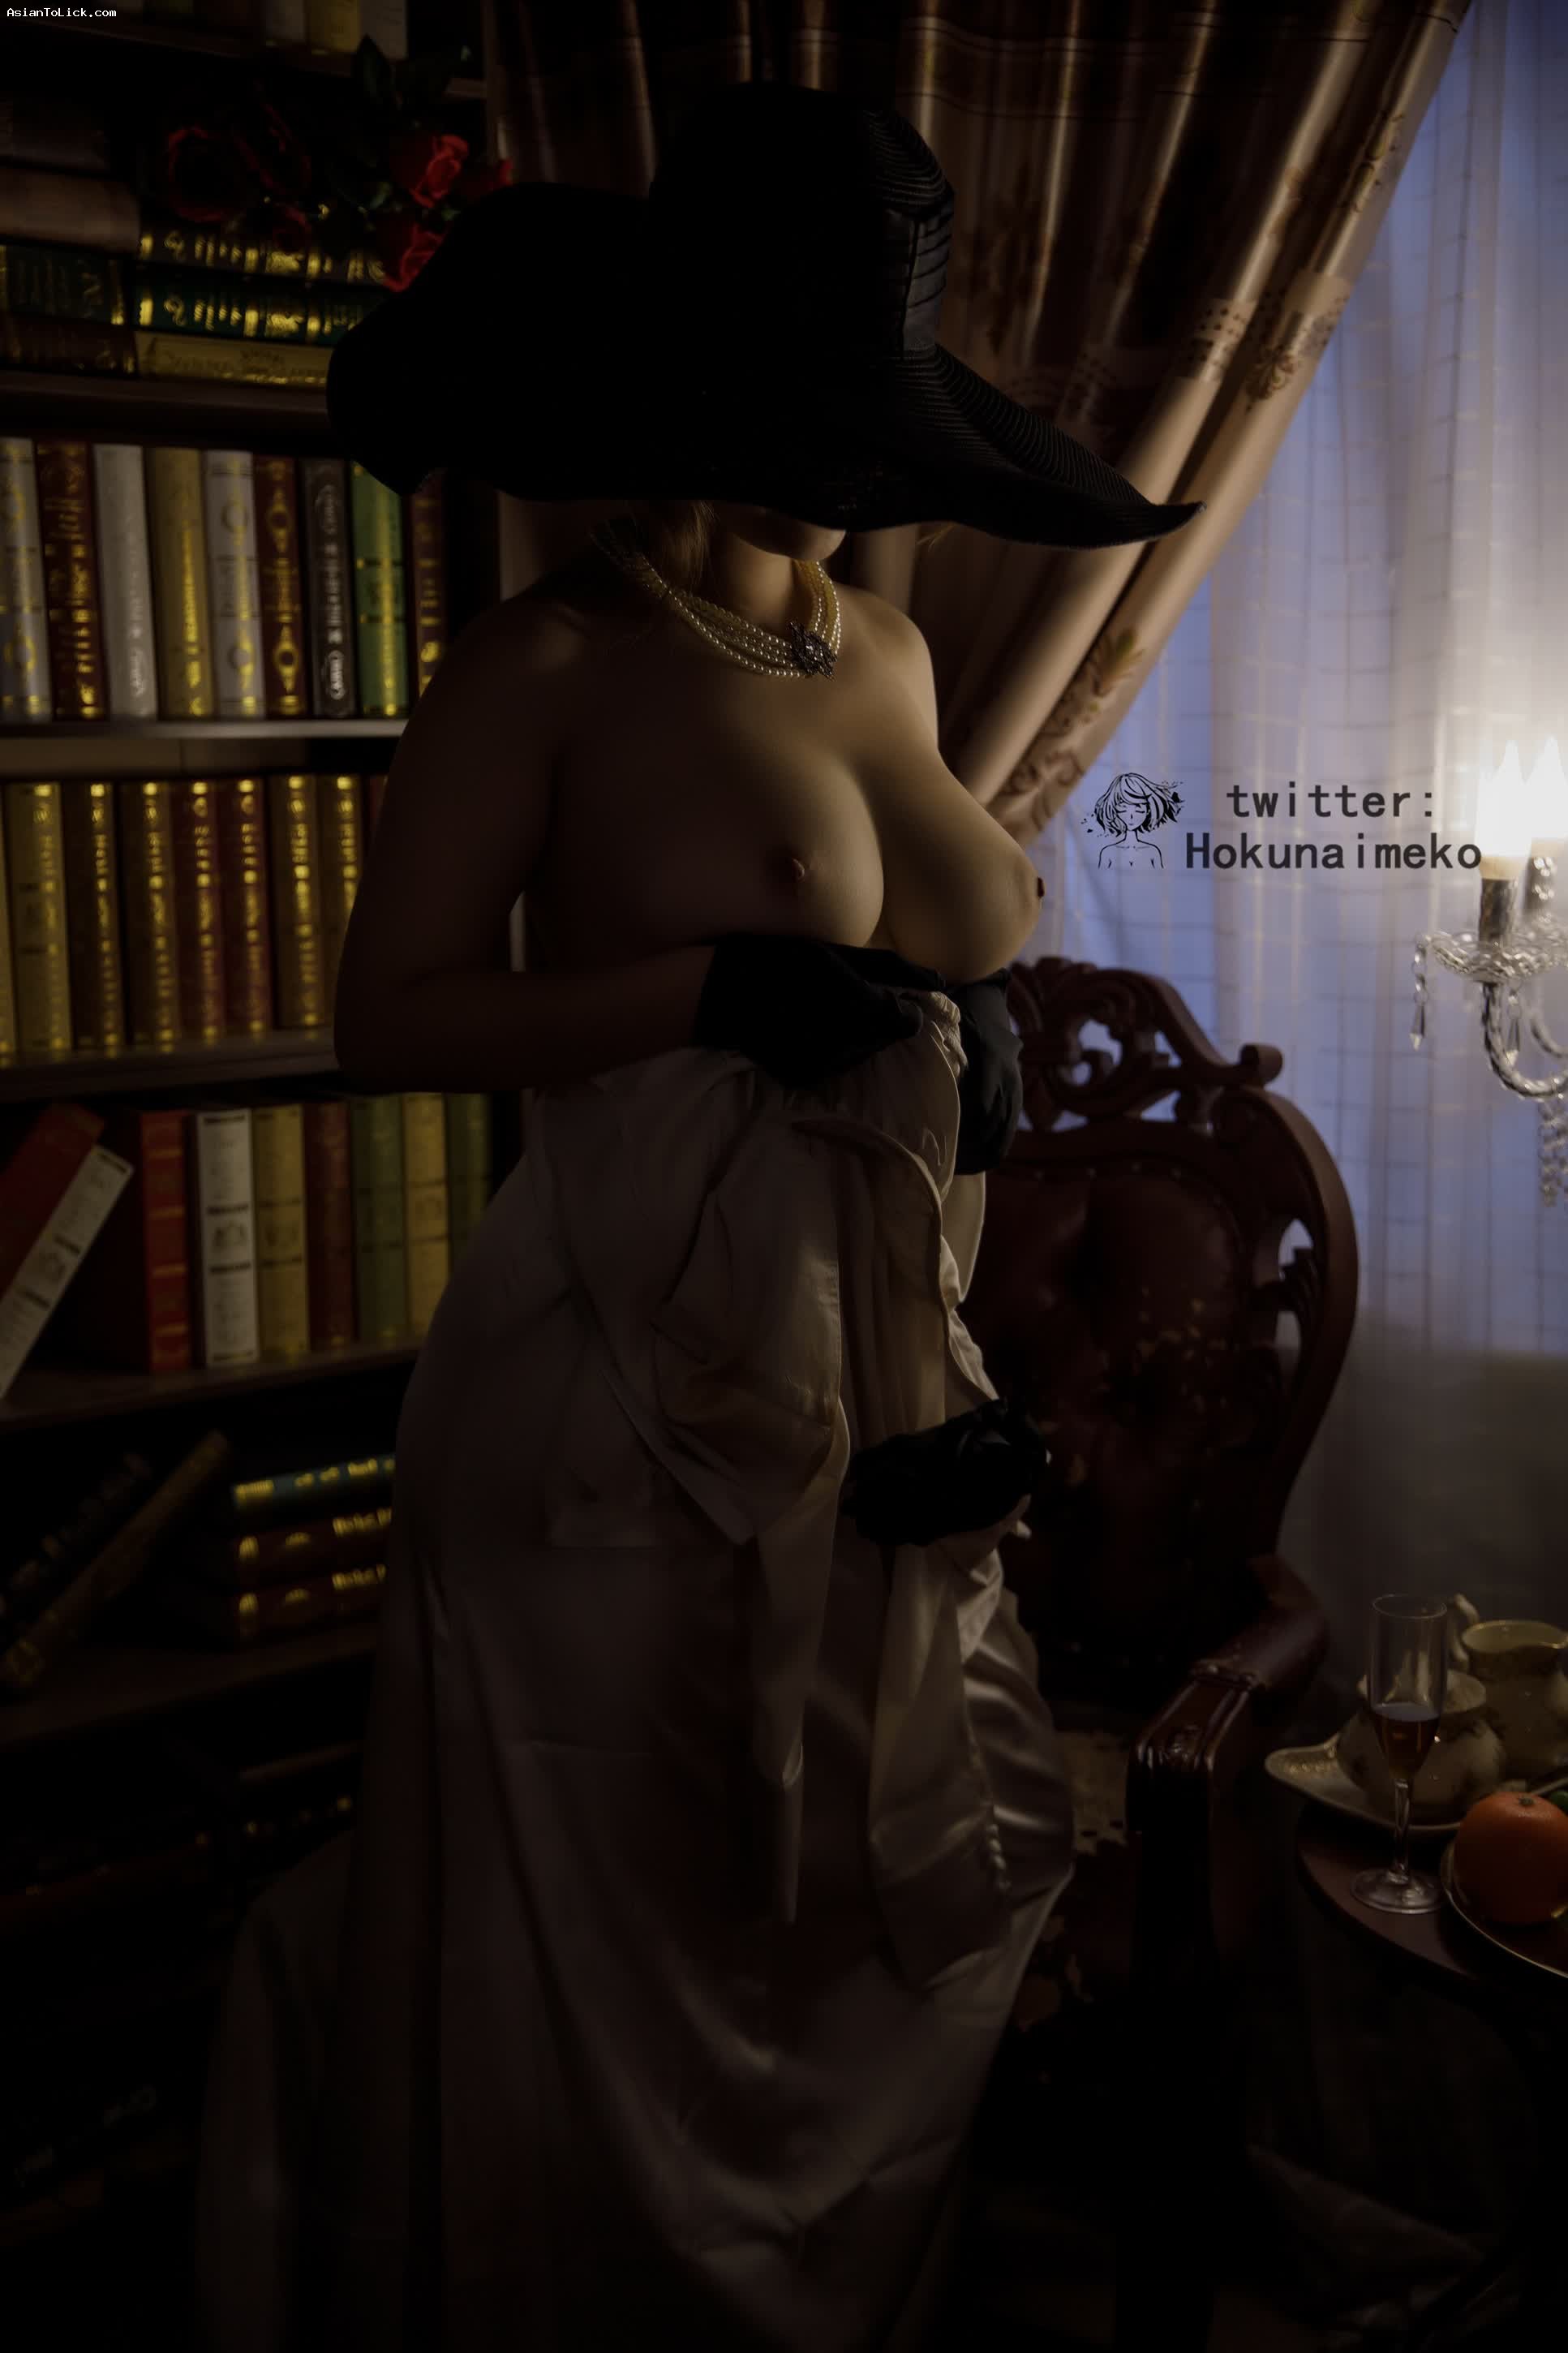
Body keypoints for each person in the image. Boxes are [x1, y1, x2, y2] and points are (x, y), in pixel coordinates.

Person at [192, 82, 1204, 2353]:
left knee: (838, 1932)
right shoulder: (543, 665)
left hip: (863, 1417)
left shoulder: (895, 655)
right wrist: (703, 993)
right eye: (793, 412)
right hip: (607, 1430)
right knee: (619, 1985)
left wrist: (968, 1073)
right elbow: (384, 1016)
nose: (834, 466)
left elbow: (909, 1013)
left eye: (861, 418)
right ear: (679, 396)